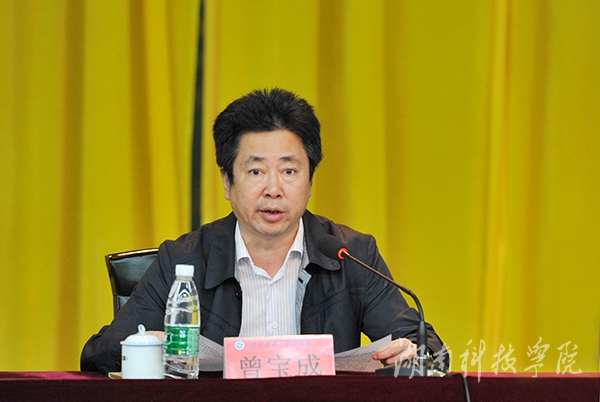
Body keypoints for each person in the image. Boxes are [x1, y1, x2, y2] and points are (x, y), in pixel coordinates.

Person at [81, 88, 449, 374]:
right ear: (227, 181)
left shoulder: (350, 255)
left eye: (289, 171)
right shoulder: (183, 259)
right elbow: (99, 352)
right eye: (256, 171)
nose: (273, 189)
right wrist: (149, 342)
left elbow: (431, 350)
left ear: (310, 181)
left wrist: (410, 352)